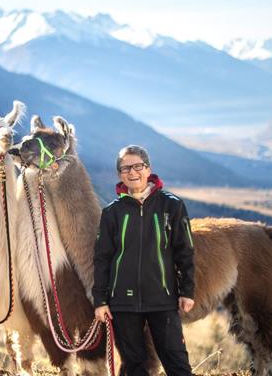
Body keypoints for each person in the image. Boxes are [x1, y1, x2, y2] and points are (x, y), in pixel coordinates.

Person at [93, 145, 195, 376]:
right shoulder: (112, 212)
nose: (132, 172)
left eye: (137, 166)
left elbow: (185, 252)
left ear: (148, 169)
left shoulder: (172, 206)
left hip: (163, 298)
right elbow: (102, 259)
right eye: (125, 168)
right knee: (134, 364)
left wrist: (187, 290)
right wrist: (100, 300)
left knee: (177, 361)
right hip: (122, 302)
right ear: (120, 174)